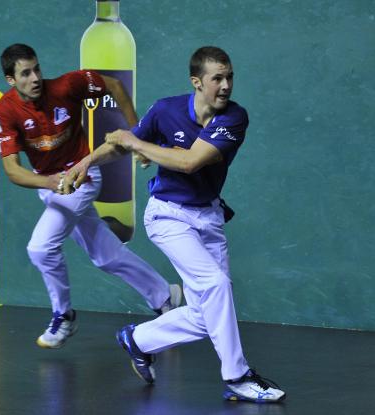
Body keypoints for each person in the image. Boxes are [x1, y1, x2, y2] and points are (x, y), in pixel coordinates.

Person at [64, 46, 285, 403]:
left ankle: (137, 340)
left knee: (205, 314)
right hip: (168, 216)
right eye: (218, 78)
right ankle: (238, 376)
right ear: (197, 82)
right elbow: (121, 145)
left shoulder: (234, 118)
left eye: (230, 77)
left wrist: (137, 143)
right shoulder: (165, 109)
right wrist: (86, 162)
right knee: (215, 285)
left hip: (208, 217)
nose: (226, 85)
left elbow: (190, 162)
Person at [0, 43, 181, 349]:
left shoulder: (68, 85)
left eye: (37, 68)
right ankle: (164, 295)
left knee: (40, 248)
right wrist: (51, 184)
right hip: (53, 186)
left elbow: (115, 85)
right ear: (11, 80)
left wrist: (137, 135)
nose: (35, 77)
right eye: (25, 73)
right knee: (106, 255)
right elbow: (13, 171)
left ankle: (64, 316)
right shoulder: (5, 111)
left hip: (83, 176)